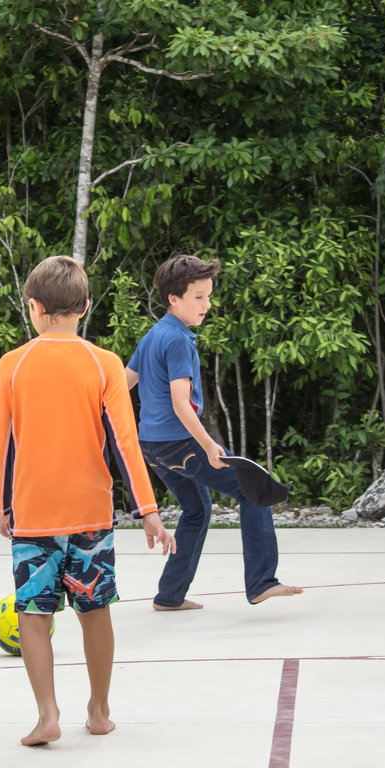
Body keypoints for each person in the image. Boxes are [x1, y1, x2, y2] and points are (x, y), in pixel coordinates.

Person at [0, 255, 175, 747]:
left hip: (33, 514)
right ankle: (98, 710)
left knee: (33, 614)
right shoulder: (105, 363)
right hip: (92, 515)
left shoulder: (12, 364)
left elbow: (4, 446)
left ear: (33, 307)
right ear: (85, 307)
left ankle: (47, 715)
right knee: (95, 611)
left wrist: (3, 506)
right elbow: (124, 444)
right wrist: (149, 511)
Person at [125, 254, 302, 610]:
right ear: (174, 298)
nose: (207, 304)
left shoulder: (153, 335)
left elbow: (122, 384)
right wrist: (208, 444)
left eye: (208, 296)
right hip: (180, 444)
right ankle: (261, 581)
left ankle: (170, 596)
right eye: (198, 297)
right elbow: (180, 402)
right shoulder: (178, 340)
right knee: (253, 491)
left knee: (196, 509)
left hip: (153, 446)